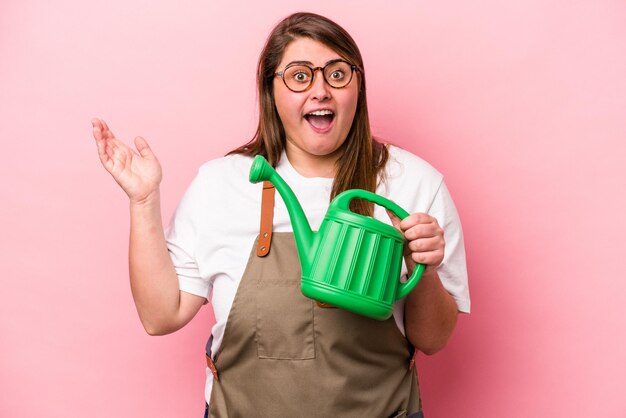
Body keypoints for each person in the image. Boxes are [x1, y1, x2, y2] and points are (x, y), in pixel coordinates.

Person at [92, 12, 469, 418]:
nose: (321, 90)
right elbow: (159, 315)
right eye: (300, 76)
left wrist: (423, 268)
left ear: (358, 87)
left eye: (337, 74)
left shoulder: (414, 183)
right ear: (271, 89)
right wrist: (144, 201)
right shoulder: (221, 184)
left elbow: (433, 339)